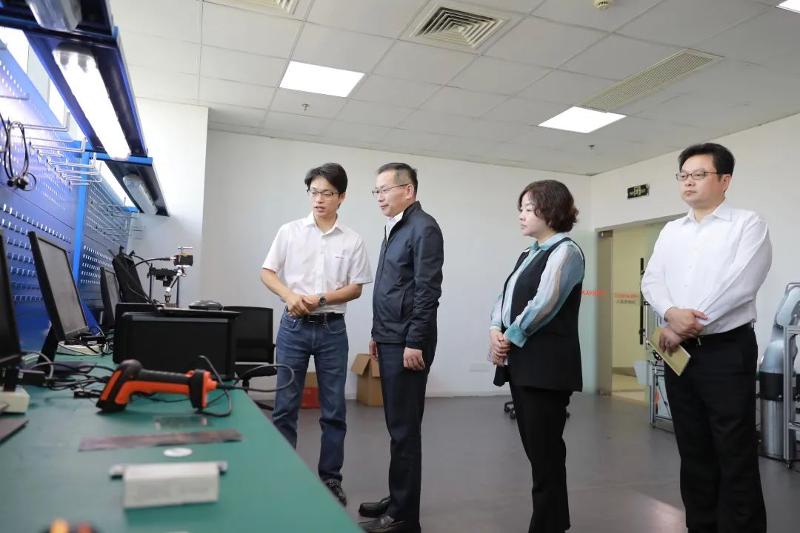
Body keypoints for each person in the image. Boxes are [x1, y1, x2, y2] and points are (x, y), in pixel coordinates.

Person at [642, 142, 771, 533]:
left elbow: (740, 285)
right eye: (683, 175)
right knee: (693, 449)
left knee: (734, 450)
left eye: (699, 174)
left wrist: (685, 323)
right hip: (679, 352)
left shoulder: (747, 224)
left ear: (725, 180)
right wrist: (670, 313)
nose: (688, 182)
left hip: (726, 351)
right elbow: (652, 280)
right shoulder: (671, 230)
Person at [261, 162, 372, 506]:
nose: (319, 199)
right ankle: (282, 474)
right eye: (314, 192)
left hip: (331, 330)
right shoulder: (290, 231)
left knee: (334, 410)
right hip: (293, 327)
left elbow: (356, 288)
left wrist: (321, 298)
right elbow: (267, 272)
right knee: (285, 406)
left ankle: (331, 478)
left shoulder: (352, 240)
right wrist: (289, 296)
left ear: (342, 197)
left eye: (327, 193)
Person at [489, 180, 585, 533]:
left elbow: (545, 303)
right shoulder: (528, 253)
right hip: (523, 365)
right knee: (537, 452)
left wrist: (510, 336)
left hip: (547, 369)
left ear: (551, 211)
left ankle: (547, 525)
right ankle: (553, 521)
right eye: (521, 208)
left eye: (529, 209)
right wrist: (495, 329)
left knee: (545, 454)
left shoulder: (566, 252)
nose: (522, 215)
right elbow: (505, 298)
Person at [359, 163, 444, 533]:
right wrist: (377, 332)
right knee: (397, 427)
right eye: (376, 191)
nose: (379, 197)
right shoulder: (396, 227)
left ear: (408, 190)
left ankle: (405, 517)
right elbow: (390, 287)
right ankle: (398, 498)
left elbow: (427, 290)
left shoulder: (424, 228)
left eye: (384, 189)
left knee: (405, 430)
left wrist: (414, 341)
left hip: (408, 341)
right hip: (390, 335)